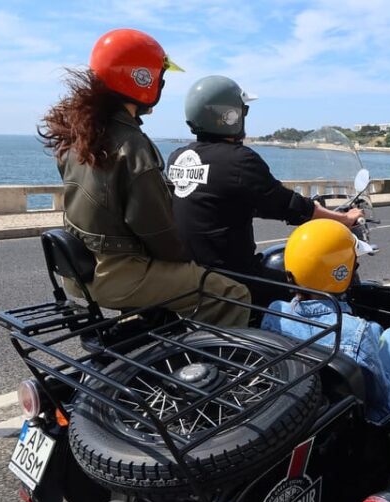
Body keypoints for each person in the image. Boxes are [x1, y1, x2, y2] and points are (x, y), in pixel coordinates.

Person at [39, 30, 250, 327]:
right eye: (159, 77)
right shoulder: (131, 145)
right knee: (230, 293)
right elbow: (159, 233)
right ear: (143, 78)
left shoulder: (80, 134)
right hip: (118, 275)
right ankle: (216, 370)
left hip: (79, 271)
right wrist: (191, 260)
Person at [166, 75, 363, 289]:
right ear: (229, 116)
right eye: (243, 111)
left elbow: (217, 201)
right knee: (311, 287)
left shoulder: (177, 158)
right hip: (235, 279)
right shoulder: (239, 159)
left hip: (192, 276)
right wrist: (344, 219)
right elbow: (289, 206)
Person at [260, 220, 390, 420]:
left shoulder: (275, 311)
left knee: (376, 330)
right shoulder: (356, 331)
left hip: (306, 404)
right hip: (363, 417)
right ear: (341, 273)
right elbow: (380, 395)